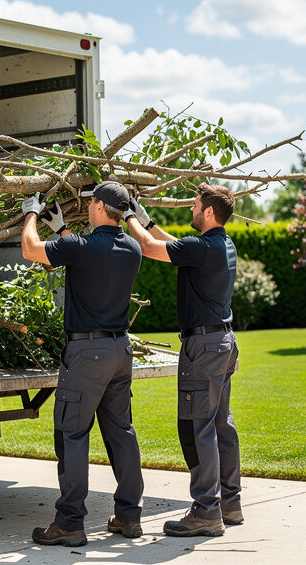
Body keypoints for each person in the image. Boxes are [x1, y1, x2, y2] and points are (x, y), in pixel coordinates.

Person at [20, 181, 145, 547]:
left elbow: (30, 249)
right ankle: (128, 516)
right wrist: (61, 231)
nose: (87, 205)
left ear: (103, 207)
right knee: (121, 433)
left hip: (86, 355)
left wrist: (30, 212)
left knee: (72, 434)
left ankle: (70, 523)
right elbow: (92, 255)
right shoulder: (132, 248)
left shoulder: (81, 247)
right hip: (120, 352)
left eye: (92, 201)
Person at [123, 182, 241, 537]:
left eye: (194, 204)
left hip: (202, 347)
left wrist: (128, 215)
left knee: (196, 427)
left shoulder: (202, 248)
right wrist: (146, 218)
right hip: (222, 342)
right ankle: (229, 504)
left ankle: (206, 511)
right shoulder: (222, 244)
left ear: (207, 212)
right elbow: (173, 244)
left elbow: (147, 247)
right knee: (221, 424)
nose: (191, 209)